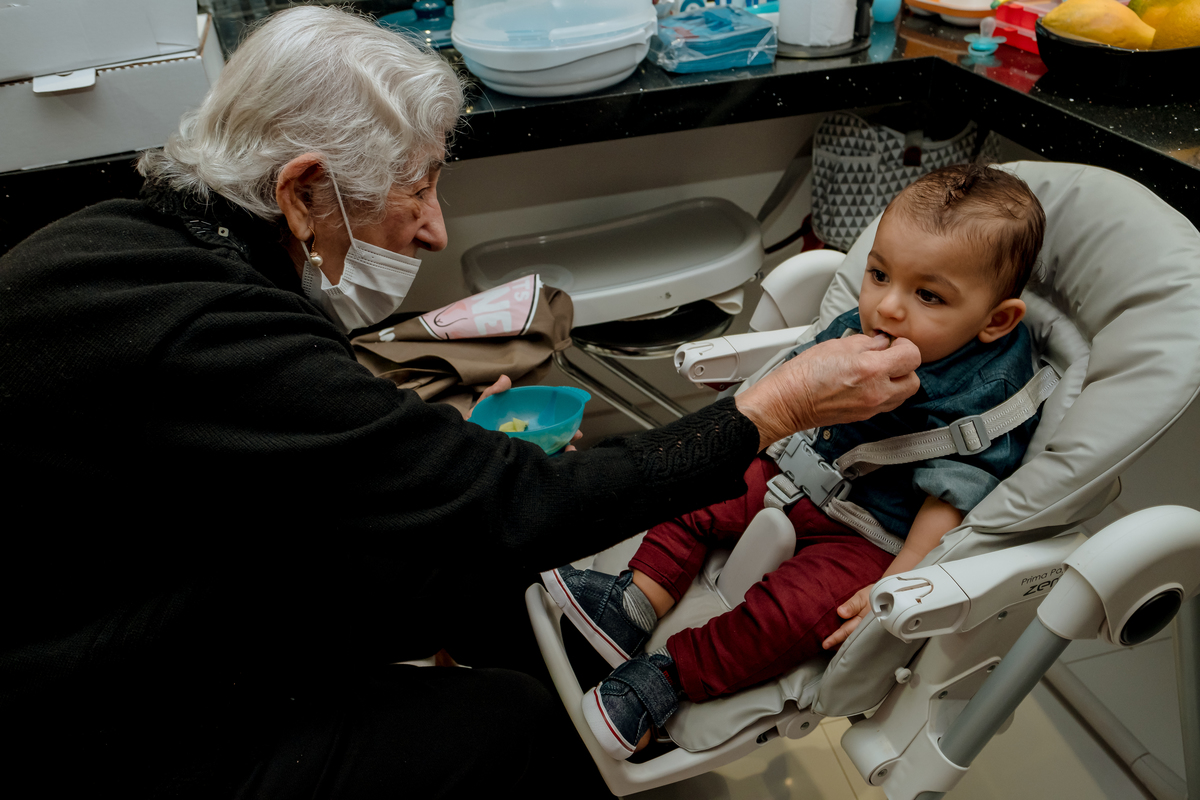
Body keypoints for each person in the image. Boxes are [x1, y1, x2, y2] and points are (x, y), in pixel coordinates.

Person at [0, 6, 921, 798]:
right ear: (303, 191)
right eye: (418, 185)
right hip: (77, 719)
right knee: (508, 724)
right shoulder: (207, 333)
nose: (436, 225)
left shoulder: (131, 238)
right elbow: (514, 506)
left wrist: (420, 459)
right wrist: (773, 408)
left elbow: (280, 446)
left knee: (457, 567)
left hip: (108, 579)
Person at [543, 163, 1047, 760]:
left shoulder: (988, 388)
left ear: (996, 320)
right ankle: (634, 600)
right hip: (795, 468)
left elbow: (954, 492)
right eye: (879, 274)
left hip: (869, 534)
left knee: (795, 614)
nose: (886, 307)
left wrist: (901, 580)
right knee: (698, 488)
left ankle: (667, 679)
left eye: (928, 295)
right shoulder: (867, 325)